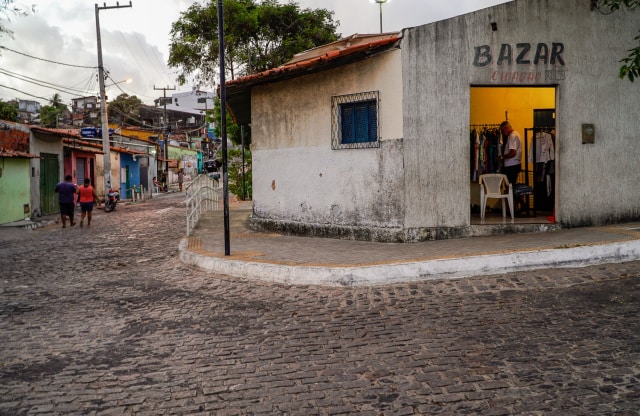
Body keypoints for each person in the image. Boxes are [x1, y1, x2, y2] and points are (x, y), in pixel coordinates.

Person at [499, 120, 525, 212]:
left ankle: (517, 208)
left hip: (511, 166)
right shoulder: (517, 134)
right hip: (515, 165)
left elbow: (513, 152)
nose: (504, 133)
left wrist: (502, 157)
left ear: (506, 128)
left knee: (510, 188)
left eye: (503, 131)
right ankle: (519, 206)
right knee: (512, 187)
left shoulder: (512, 136)